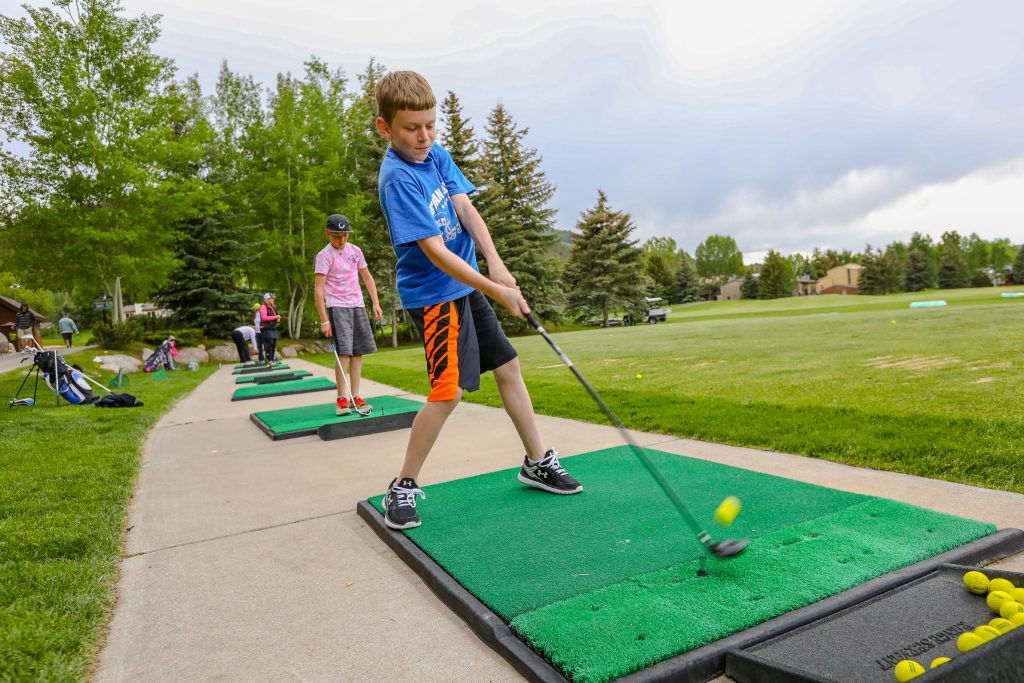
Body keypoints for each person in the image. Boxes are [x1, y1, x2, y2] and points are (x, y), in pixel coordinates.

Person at [374, 70, 582, 530]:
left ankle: (536, 462)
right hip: (434, 297)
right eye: (411, 128)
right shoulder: (398, 179)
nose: (424, 136)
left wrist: (497, 264)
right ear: (385, 128)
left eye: (430, 124)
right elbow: (437, 254)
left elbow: (466, 209)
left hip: (466, 286)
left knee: (508, 367)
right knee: (447, 393)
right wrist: (497, 290)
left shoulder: (434, 154)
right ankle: (402, 486)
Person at [314, 214, 384, 415]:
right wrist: (324, 320)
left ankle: (356, 396)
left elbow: (367, 277)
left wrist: (375, 303)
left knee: (358, 352)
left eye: (345, 235)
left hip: (357, 305)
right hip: (337, 307)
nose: (342, 240)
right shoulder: (324, 256)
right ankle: (341, 399)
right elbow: (318, 291)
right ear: (328, 233)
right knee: (344, 352)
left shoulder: (355, 251)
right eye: (337, 236)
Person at [258, 293, 281, 364]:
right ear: (267, 299)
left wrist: (277, 319)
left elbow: (275, 317)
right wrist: (275, 317)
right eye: (272, 298)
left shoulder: (272, 307)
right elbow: (264, 318)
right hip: (265, 328)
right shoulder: (263, 307)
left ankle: (271, 359)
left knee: (273, 343)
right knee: (270, 343)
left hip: (272, 328)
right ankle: (269, 360)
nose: (273, 299)